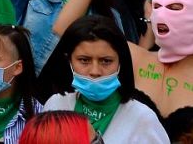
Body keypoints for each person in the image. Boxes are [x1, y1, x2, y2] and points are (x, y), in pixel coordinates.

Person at [38, 16, 167, 144]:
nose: (95, 71)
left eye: (106, 61)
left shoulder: (142, 118)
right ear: (69, 60)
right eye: (84, 60)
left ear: (120, 63)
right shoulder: (55, 105)